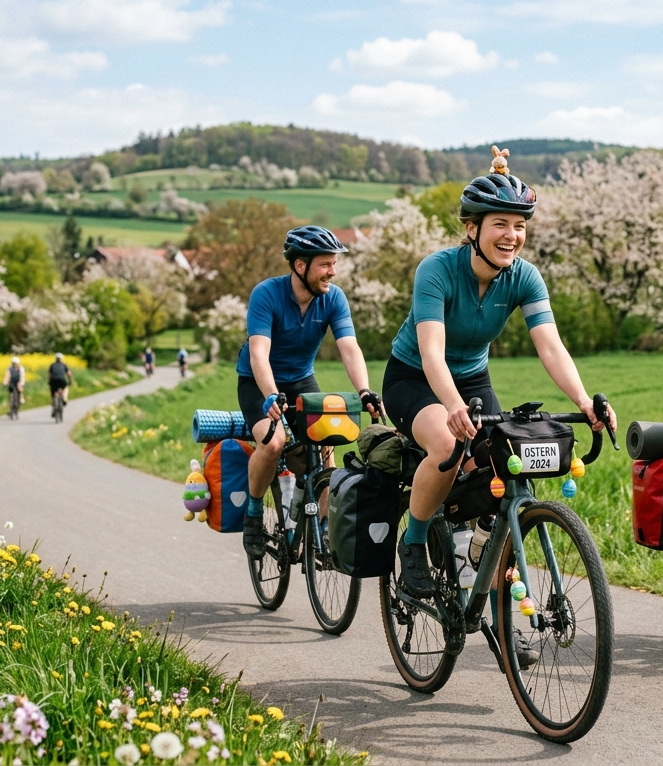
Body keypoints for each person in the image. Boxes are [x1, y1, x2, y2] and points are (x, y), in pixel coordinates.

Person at [381, 153, 615, 599]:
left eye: (520, 226)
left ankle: (485, 559)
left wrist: (585, 401)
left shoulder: (525, 278)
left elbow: (550, 346)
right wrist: (450, 406)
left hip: (473, 380)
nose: (512, 236)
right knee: (449, 446)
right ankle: (413, 542)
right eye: (500, 224)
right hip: (414, 379)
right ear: (473, 228)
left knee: (501, 460)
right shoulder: (437, 271)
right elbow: (431, 352)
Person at [238, 225, 383, 558]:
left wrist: (364, 391)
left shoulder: (333, 298)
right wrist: (272, 395)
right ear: (300, 266)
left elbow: (349, 347)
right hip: (258, 381)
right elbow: (259, 352)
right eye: (325, 264)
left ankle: (321, 523)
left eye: (334, 264)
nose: (332, 271)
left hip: (302, 379)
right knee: (273, 443)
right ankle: (254, 510)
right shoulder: (267, 294)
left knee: (327, 436)